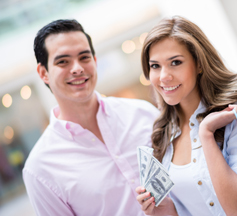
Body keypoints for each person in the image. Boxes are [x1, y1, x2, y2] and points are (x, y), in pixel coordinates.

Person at [22, 19, 159, 216]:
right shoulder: (40, 169)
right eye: (63, 61)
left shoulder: (143, 113)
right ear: (44, 73)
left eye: (84, 57)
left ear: (95, 62)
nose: (77, 68)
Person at [135, 16, 237, 216]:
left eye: (175, 62)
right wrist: (167, 210)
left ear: (199, 63)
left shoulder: (235, 115)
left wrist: (206, 134)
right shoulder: (163, 133)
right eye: (155, 66)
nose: (164, 76)